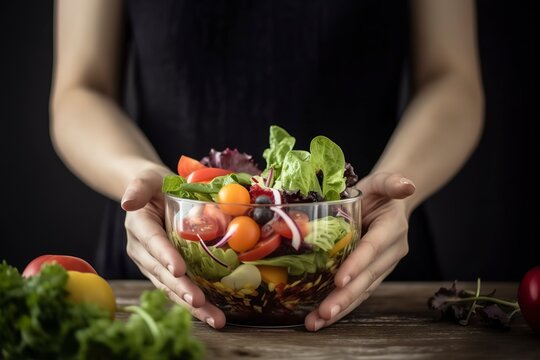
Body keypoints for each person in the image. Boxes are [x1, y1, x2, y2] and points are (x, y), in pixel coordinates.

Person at [49, 0, 484, 331]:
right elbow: (80, 90)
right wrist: (135, 175)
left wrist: (399, 186)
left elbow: (452, 80)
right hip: (164, 250)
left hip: (368, 250)